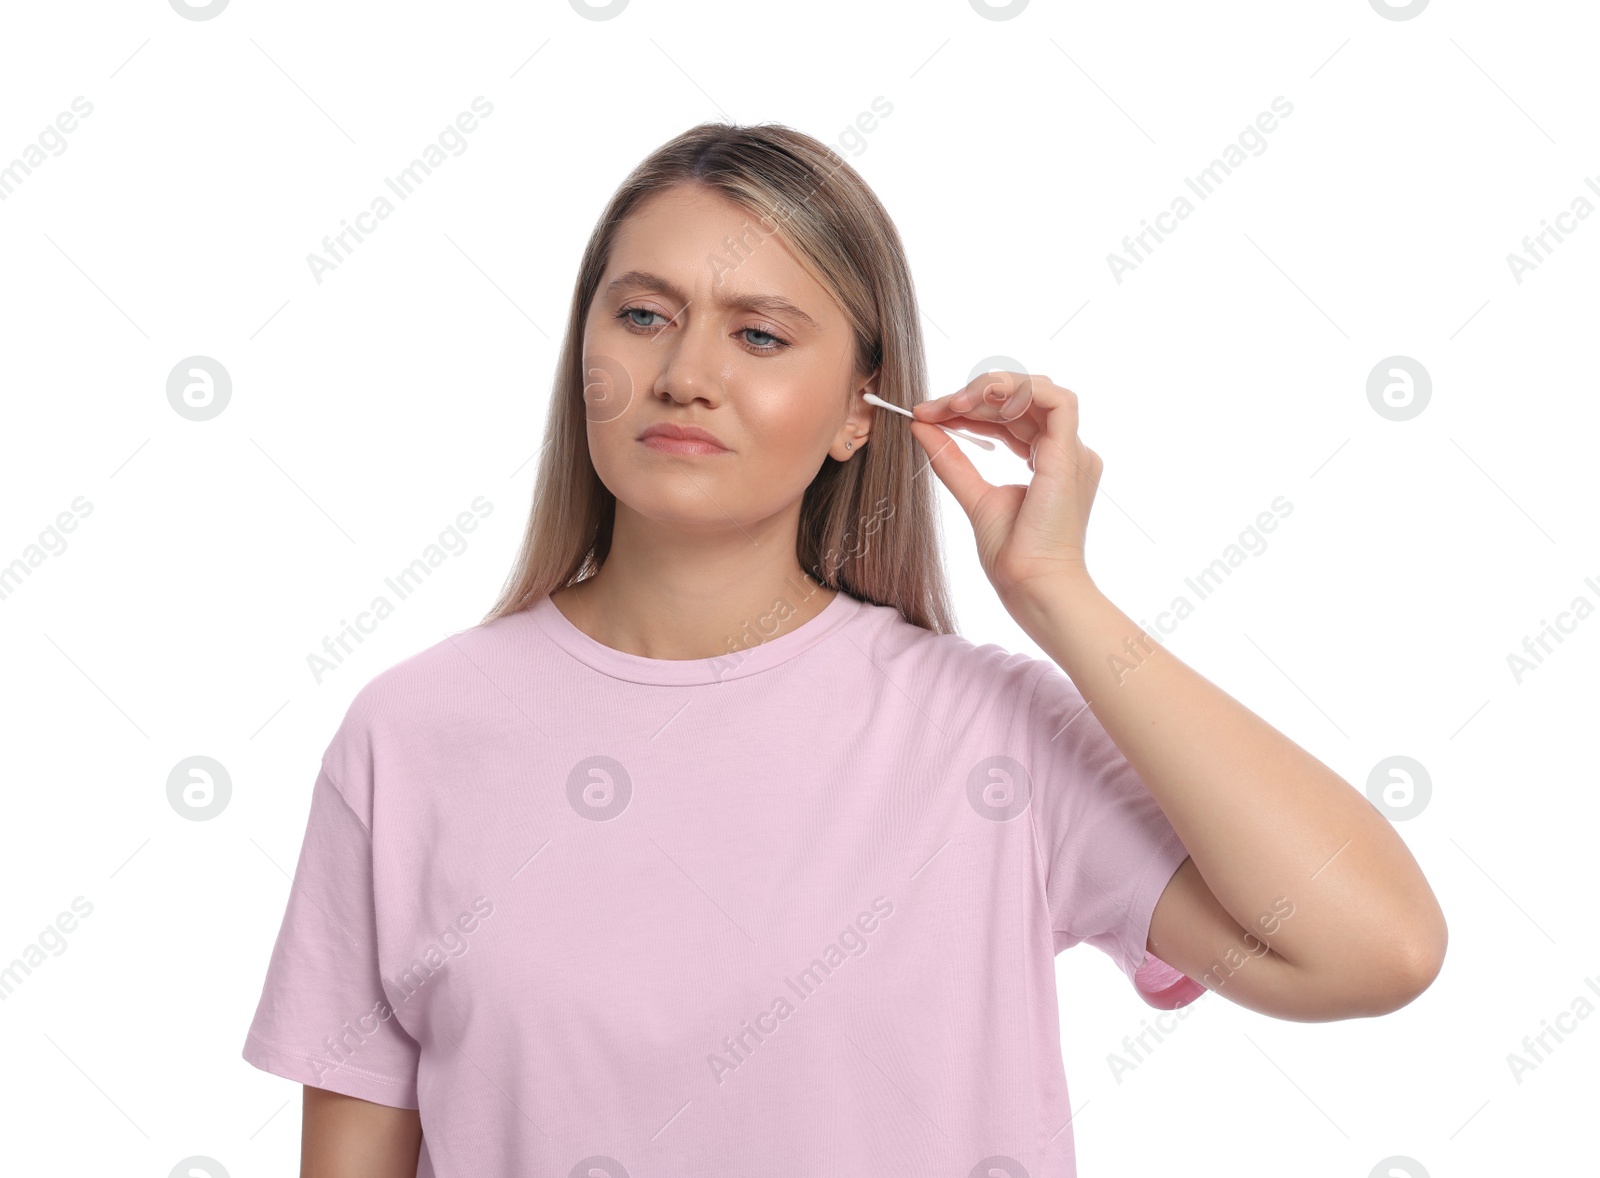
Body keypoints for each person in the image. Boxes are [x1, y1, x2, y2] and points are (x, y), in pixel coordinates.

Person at [241, 121, 1447, 1177]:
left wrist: (1057, 591)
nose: (685, 373)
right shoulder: (409, 734)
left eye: (760, 336)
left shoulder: (990, 735)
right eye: (644, 314)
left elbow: (1372, 948)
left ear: (853, 412)